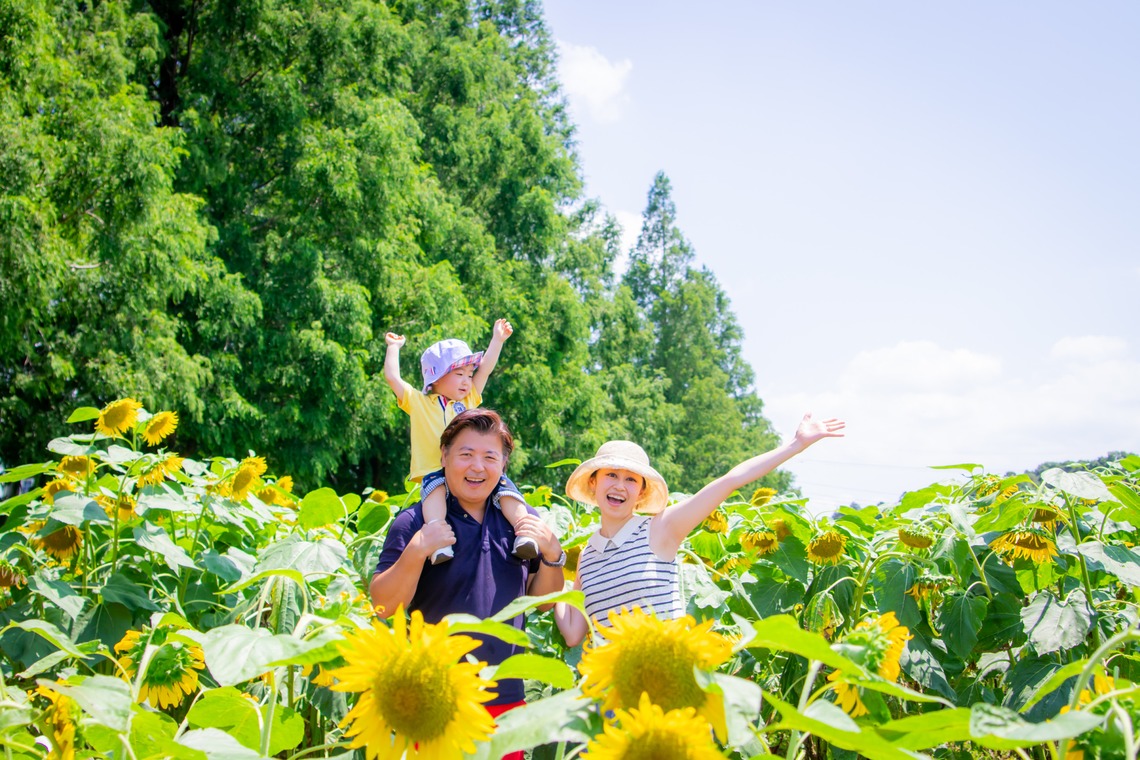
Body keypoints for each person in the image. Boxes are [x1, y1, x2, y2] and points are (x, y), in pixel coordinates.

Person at [553, 413, 846, 646]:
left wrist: (795, 445)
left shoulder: (660, 529)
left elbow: (729, 481)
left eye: (631, 480)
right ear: (594, 482)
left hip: (669, 680)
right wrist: (549, 562)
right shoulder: (589, 555)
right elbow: (572, 632)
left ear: (642, 492)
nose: (619, 485)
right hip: (610, 695)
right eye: (611, 475)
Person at [370, 409, 567, 747]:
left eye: (490, 457)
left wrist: (553, 554)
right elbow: (384, 606)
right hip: (431, 698)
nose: (478, 467)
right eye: (466, 454)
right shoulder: (415, 521)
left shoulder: (521, 522)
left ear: (503, 465)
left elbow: (543, 603)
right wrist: (417, 550)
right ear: (444, 456)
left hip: (505, 697)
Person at [383, 319, 537, 564]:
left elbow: (485, 368)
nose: (467, 381)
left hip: (471, 469)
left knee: (506, 489)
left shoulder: (467, 403)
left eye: (468, 375)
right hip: (434, 471)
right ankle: (439, 544)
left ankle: (525, 532)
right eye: (459, 374)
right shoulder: (420, 403)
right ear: (435, 378)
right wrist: (393, 347)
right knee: (434, 501)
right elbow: (392, 377)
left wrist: (497, 340)